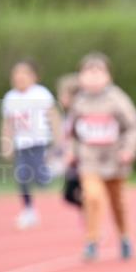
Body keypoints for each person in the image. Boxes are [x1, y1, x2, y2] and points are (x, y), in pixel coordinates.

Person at [66, 52, 136, 262]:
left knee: (117, 202)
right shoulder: (79, 102)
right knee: (92, 197)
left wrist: (129, 150)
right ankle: (91, 241)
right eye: (87, 73)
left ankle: (124, 237)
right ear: (80, 77)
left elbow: (133, 126)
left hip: (115, 160)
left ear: (108, 76)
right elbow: (71, 132)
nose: (92, 77)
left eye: (98, 72)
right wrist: (71, 150)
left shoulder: (117, 99)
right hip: (89, 159)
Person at [0, 60, 60, 230]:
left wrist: (58, 139)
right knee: (22, 177)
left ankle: (54, 169)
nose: (20, 77)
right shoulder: (10, 98)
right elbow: (8, 123)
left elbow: (53, 116)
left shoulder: (41, 94)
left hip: (39, 142)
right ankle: (28, 210)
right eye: (16, 74)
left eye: (24, 73)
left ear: (34, 77)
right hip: (21, 144)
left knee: (41, 180)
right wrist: (6, 143)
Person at [56, 73, 83, 209]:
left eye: (62, 94)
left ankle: (90, 212)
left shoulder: (79, 116)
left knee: (74, 193)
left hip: (81, 164)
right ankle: (87, 211)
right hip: (71, 166)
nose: (59, 98)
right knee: (69, 195)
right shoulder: (68, 116)